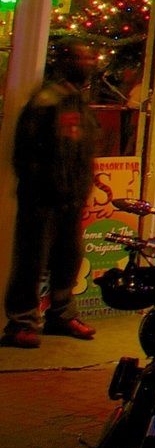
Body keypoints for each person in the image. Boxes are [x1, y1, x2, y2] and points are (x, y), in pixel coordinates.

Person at [5, 44, 100, 347]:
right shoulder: (46, 101)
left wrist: (83, 186)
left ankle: (61, 315)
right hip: (43, 198)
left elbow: (83, 151)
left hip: (72, 197)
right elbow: (26, 151)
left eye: (89, 58)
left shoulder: (78, 102)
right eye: (80, 58)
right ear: (64, 62)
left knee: (69, 257)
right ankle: (22, 322)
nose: (87, 63)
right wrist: (42, 186)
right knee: (32, 259)